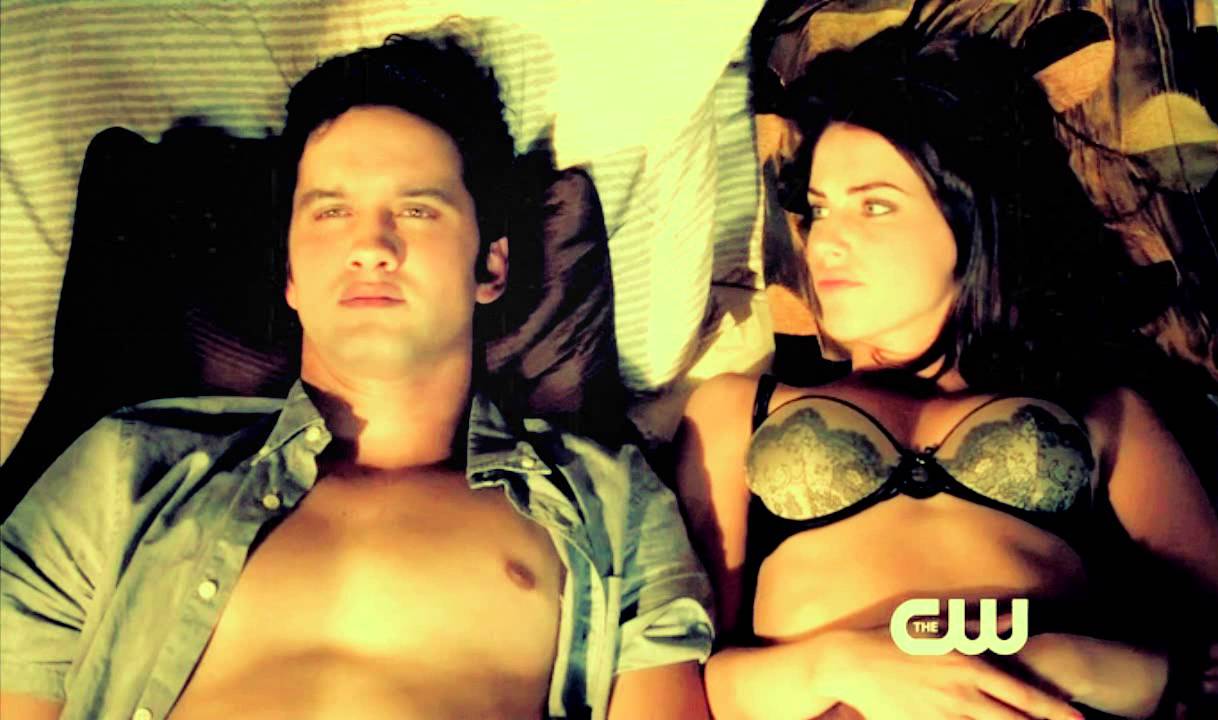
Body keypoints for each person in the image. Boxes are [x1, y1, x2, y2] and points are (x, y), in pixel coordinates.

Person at [0, 32, 713, 720]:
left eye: (417, 209)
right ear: (289, 272)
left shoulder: (609, 501)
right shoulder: (123, 471)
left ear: (490, 267)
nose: (371, 246)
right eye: (332, 211)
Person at [676, 29, 1218, 720]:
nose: (825, 239)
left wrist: (1067, 662)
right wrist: (843, 666)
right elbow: (676, 677)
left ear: (972, 218)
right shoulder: (736, 409)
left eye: (874, 204)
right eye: (820, 207)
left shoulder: (1105, 409)